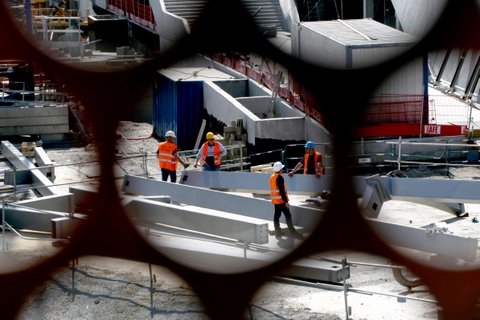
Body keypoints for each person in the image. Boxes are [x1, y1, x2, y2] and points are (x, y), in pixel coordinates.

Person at [269, 161, 304, 240]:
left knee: (276, 216)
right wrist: (286, 202)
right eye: (282, 168)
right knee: (288, 216)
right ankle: (293, 233)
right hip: (281, 201)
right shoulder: (279, 178)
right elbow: (282, 191)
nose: (283, 169)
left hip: (276, 201)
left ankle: (278, 232)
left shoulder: (272, 177)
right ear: (280, 169)